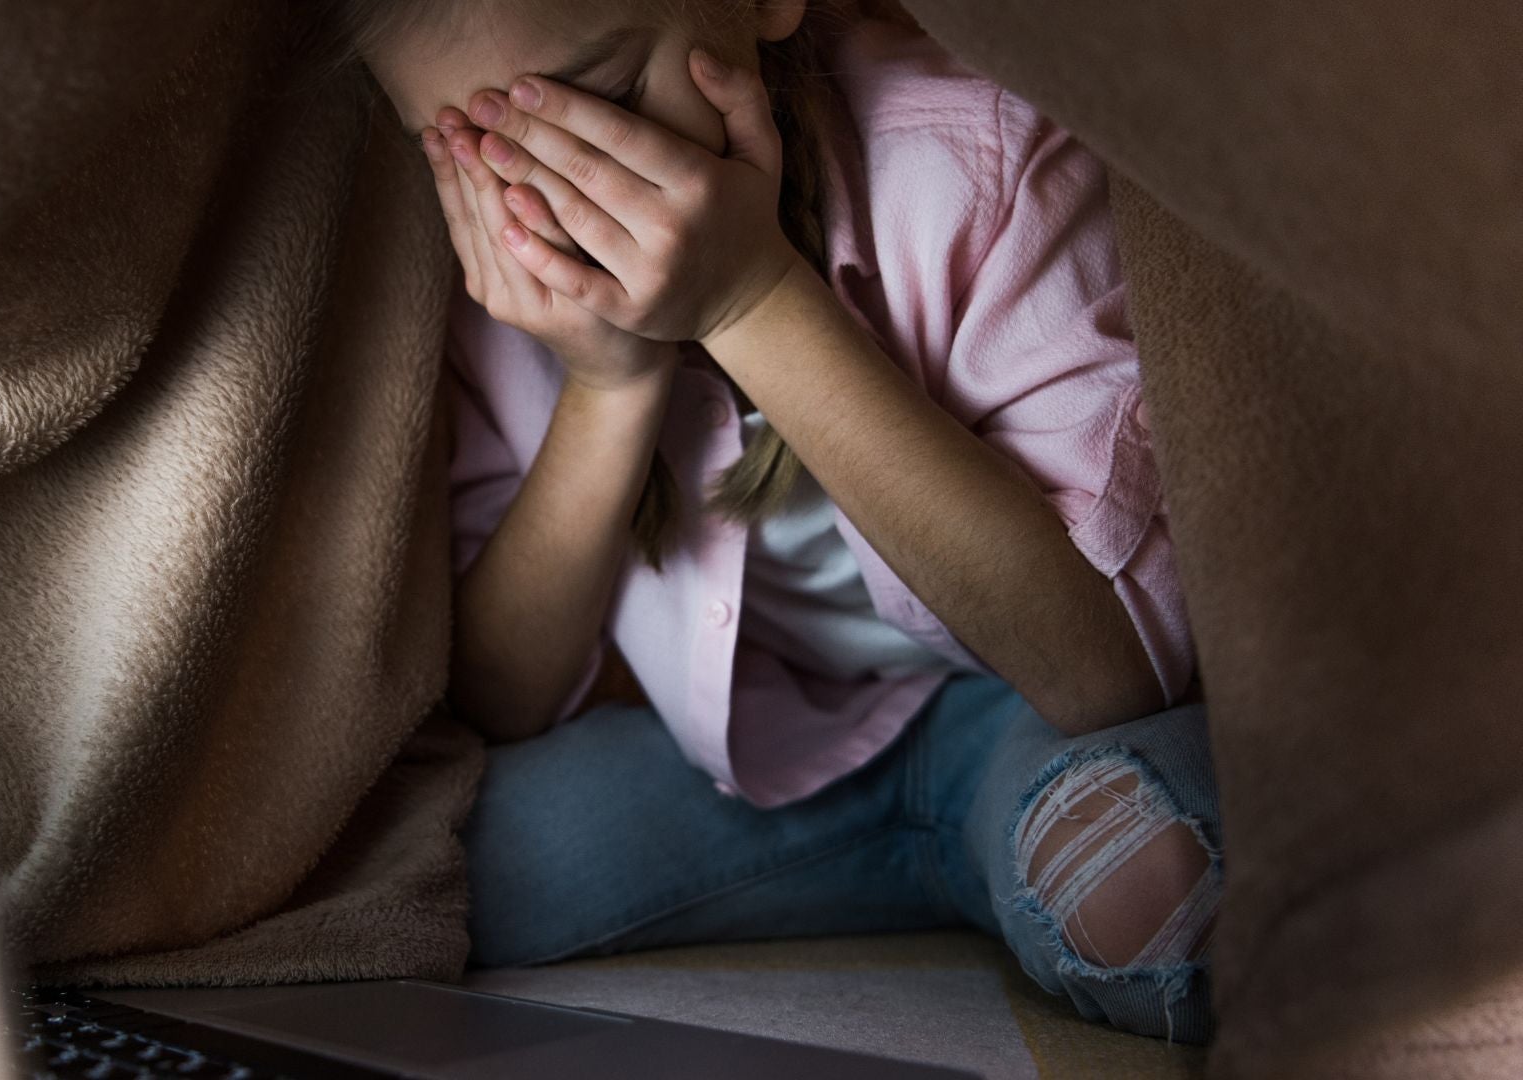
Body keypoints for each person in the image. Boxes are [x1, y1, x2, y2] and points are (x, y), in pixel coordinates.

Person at [322, 0, 1223, 1040]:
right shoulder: (500, 273)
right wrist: (608, 386)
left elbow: (1110, 675)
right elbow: (502, 695)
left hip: (1026, 718)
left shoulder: (976, 156)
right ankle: (936, 870)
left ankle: (993, 850)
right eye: (476, 152)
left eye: (603, 104)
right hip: (761, 754)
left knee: (1155, 880)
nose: (556, 203)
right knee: (424, 874)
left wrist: (747, 297)